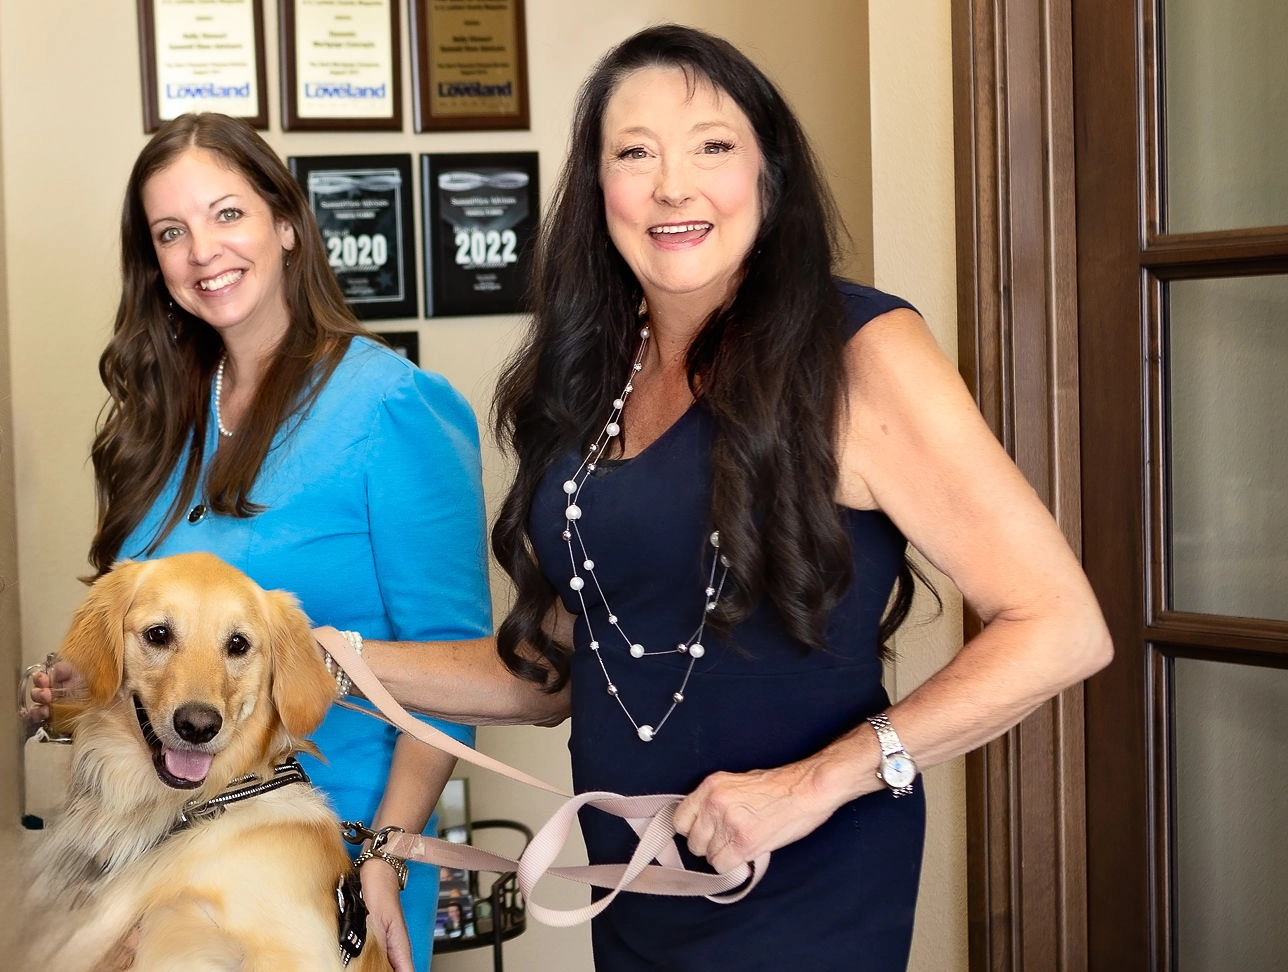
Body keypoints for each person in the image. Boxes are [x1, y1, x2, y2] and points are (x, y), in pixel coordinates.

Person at [319, 24, 1113, 971]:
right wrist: (329, 657)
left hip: (805, 900)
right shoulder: (585, 381)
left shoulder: (860, 354)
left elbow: (1061, 625)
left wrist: (814, 785)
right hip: (635, 902)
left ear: (767, 175)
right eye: (634, 153)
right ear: (598, 189)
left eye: (712, 146)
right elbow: (557, 676)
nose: (671, 185)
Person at [31, 112, 490, 972]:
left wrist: (385, 858)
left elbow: (461, 676)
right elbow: (152, 643)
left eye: (227, 214)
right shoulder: (158, 421)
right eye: (173, 232)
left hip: (318, 864)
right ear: (156, 266)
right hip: (141, 863)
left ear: (286, 223)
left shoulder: (393, 408)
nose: (203, 251)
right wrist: (71, 686)